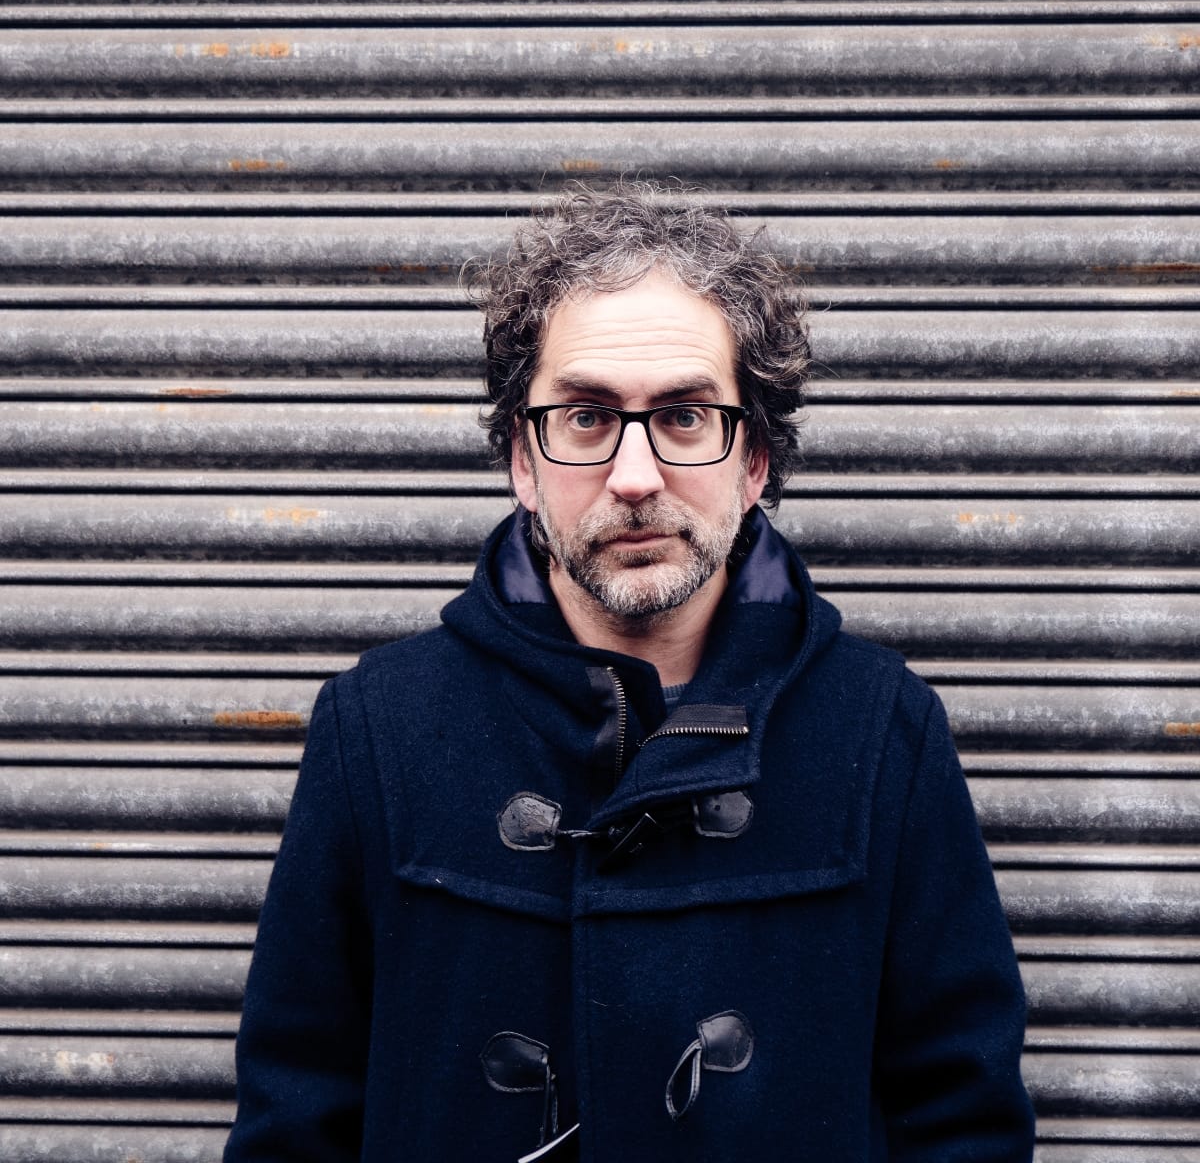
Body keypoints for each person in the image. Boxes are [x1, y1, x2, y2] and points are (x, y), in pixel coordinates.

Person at [225, 182, 1035, 1162]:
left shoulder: (881, 729)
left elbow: (962, 1119)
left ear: (757, 460)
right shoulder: (380, 724)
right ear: (522, 458)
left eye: (687, 416)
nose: (636, 475)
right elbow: (295, 1117)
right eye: (585, 417)